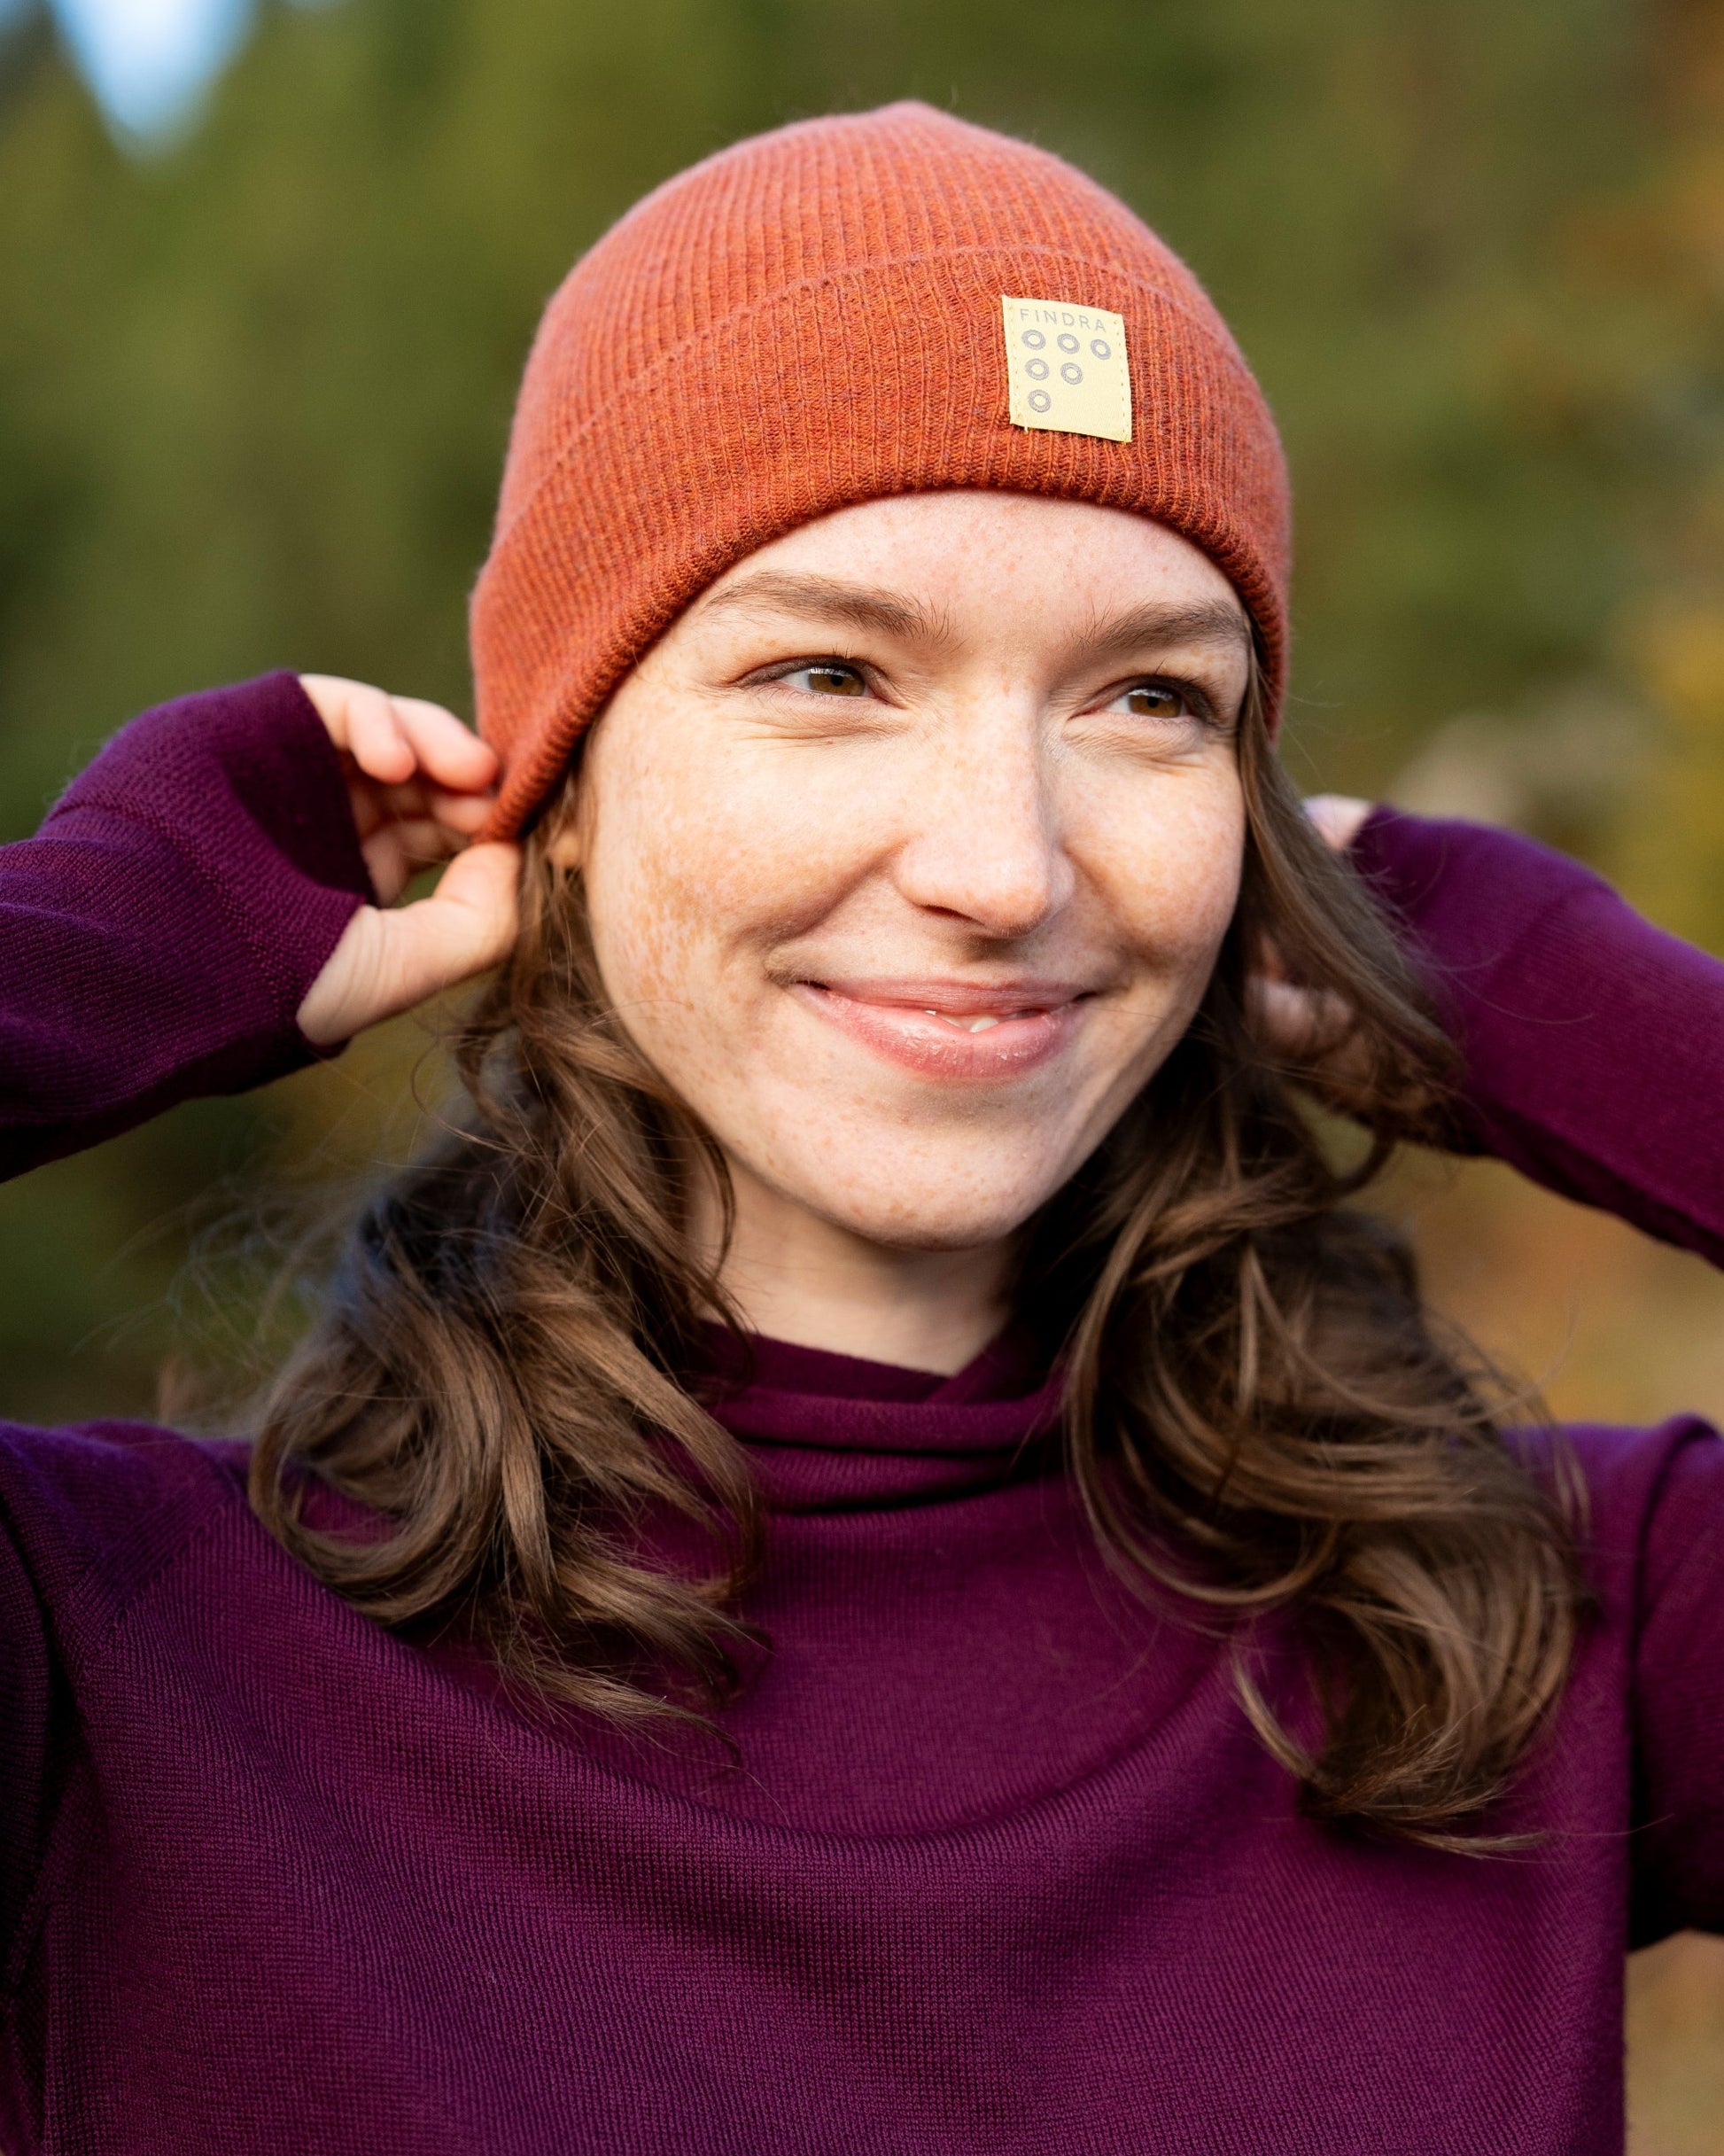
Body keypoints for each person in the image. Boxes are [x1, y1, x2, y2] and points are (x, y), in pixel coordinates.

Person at [1, 101, 1720, 2156]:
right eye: (830, 671)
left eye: (1149, 699)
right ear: (553, 791)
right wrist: (100, 948)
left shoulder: (1529, 1618)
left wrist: (1567, 1008)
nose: (1006, 863)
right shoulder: (116, 1660)